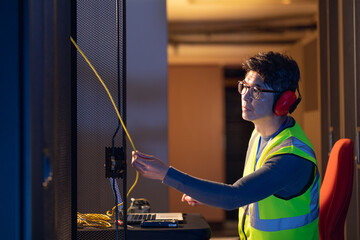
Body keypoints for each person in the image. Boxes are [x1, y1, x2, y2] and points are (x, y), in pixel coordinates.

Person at [132, 51, 319, 240]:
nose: (245, 97)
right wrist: (205, 194)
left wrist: (165, 174)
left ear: (284, 101)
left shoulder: (291, 157)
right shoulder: (259, 133)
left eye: (256, 91)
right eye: (245, 86)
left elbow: (235, 196)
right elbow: (248, 193)